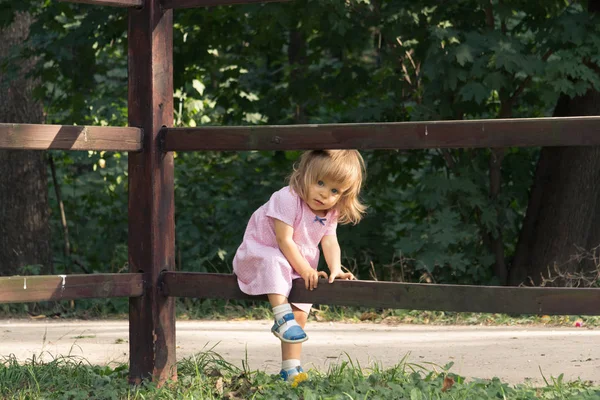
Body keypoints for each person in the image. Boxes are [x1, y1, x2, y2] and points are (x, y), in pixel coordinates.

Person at [232, 149, 367, 382]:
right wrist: (305, 269)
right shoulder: (287, 198)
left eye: (334, 190)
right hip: (261, 256)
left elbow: (330, 240)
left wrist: (336, 267)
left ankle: (291, 369)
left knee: (301, 314)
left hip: (296, 264)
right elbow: (283, 240)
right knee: (276, 262)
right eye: (320, 183)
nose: (325, 194)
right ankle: (281, 318)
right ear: (305, 175)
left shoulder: (330, 212)